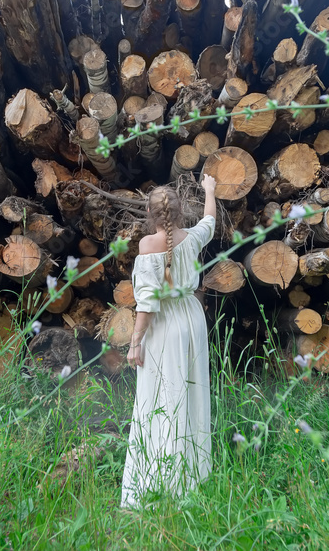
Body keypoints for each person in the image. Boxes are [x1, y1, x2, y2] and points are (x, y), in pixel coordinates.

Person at [120, 174, 218, 510]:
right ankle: (190, 479)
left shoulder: (148, 245)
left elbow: (147, 302)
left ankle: (160, 483)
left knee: (160, 397)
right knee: (189, 393)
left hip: (165, 325)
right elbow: (210, 221)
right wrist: (210, 190)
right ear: (179, 212)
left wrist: (135, 341)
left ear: (149, 211)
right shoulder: (191, 238)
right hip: (191, 319)